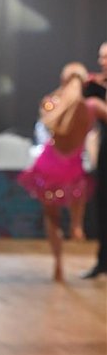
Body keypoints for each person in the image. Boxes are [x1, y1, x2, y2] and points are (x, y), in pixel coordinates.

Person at [18, 62, 97, 282]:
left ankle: (58, 262)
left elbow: (45, 120)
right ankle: (77, 224)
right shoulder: (90, 107)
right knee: (78, 195)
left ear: (63, 80)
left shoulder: (51, 103)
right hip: (72, 165)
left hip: (50, 164)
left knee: (51, 217)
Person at [81, 41, 107, 278]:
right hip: (104, 154)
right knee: (102, 206)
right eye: (101, 57)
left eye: (106, 57)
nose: (102, 62)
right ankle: (102, 261)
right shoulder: (96, 87)